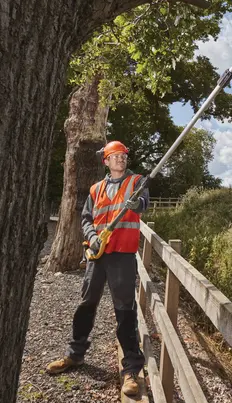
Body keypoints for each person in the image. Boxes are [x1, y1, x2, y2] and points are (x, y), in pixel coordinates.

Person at [46, 141, 149, 397]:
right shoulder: (96, 189)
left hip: (123, 256)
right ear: (106, 160)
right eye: (115, 156)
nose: (121, 159)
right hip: (98, 254)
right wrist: (92, 238)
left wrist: (134, 203)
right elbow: (86, 218)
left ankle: (130, 370)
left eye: (124, 156)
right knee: (86, 304)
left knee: (125, 310)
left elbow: (143, 205)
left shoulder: (137, 182)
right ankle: (75, 354)